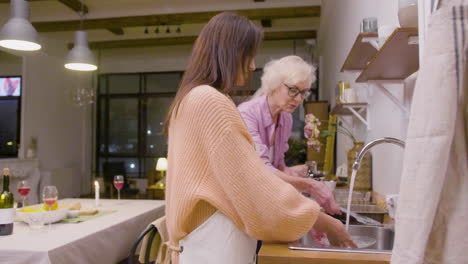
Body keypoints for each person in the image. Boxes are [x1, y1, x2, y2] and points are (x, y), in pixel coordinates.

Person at [163, 12, 355, 264]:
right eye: (249, 55)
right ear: (230, 53)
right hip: (215, 243)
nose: (253, 65)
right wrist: (323, 221)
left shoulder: (191, 98)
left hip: (201, 241)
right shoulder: (210, 102)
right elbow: (254, 186)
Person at [238, 55, 341, 215]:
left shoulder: (285, 118)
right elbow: (260, 169)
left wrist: (292, 171)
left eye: (303, 93)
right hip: (242, 203)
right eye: (293, 90)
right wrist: (310, 185)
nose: (299, 99)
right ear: (274, 85)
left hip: (263, 202)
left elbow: (277, 166)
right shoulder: (247, 114)